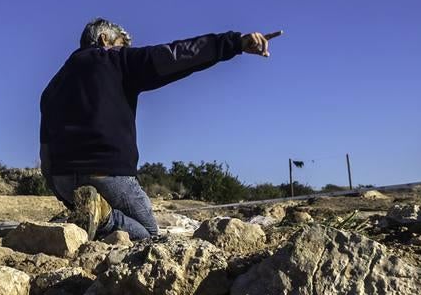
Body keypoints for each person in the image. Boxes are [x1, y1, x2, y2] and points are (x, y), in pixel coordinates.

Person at [39, 18, 279, 240]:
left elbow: (45, 148)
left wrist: (61, 192)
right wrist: (233, 43)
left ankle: (89, 218)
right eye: (122, 45)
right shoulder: (116, 60)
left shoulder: (53, 86)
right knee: (149, 235)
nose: (126, 50)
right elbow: (177, 55)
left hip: (63, 179)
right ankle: (104, 218)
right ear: (104, 40)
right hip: (105, 172)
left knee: (101, 228)